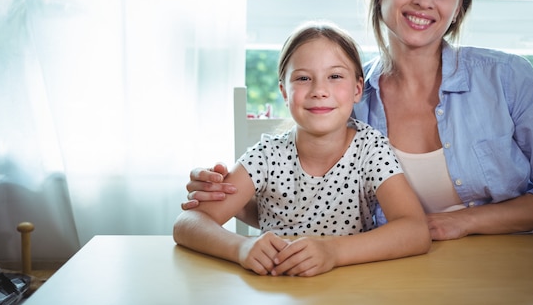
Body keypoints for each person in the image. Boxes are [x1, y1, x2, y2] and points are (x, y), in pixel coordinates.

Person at [183, 0, 533, 252]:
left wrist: (461, 222)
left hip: (531, 262)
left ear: (457, 8)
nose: (424, 0)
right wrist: (229, 194)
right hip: (404, 275)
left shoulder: (507, 77)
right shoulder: (347, 96)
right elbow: (313, 206)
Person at [173, 21, 431, 277]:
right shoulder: (266, 155)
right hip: (275, 291)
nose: (319, 90)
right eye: (304, 78)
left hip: (349, 291)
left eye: (335, 76)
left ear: (357, 89)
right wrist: (242, 247)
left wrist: (333, 253)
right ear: (285, 93)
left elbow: (415, 231)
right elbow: (188, 223)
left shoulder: (371, 150)